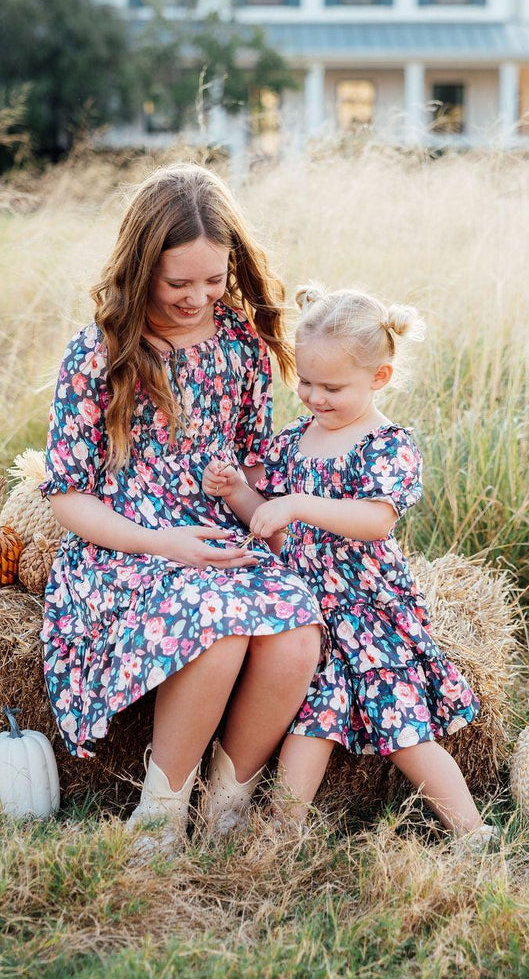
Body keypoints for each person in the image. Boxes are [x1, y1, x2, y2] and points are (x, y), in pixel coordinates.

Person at [39, 164, 323, 850]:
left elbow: (254, 461)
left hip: (222, 539)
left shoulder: (241, 346)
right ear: (141, 270)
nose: (198, 297)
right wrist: (164, 542)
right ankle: (160, 812)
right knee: (216, 625)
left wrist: (258, 511)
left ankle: (227, 805)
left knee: (297, 635)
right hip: (128, 546)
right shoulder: (101, 352)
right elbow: (66, 495)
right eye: (177, 283)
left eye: (213, 279)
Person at [203, 285, 494, 843]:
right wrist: (239, 491)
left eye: (332, 387)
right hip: (308, 614)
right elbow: (272, 520)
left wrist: (299, 504)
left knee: (405, 731)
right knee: (311, 725)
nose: (314, 396)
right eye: (305, 382)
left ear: (379, 378)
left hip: (366, 613)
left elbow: (375, 520)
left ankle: (472, 832)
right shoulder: (291, 442)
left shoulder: (386, 445)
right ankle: (280, 833)